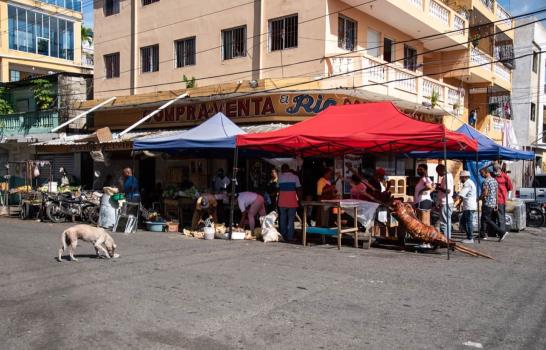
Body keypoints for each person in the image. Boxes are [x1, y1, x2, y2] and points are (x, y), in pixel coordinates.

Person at [278, 164, 302, 242]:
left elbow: (277, 189)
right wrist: (300, 199)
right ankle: (290, 236)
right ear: (288, 169)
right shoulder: (295, 177)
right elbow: (298, 189)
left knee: (282, 218)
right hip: (292, 201)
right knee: (291, 219)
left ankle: (282, 235)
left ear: (282, 170)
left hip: (282, 201)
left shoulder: (280, 177)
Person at [479, 167, 503, 240]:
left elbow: (485, 193)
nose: (481, 175)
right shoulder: (494, 180)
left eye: (482, 173)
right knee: (484, 219)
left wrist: (479, 198)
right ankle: (482, 234)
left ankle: (501, 232)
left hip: (487, 202)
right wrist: (496, 204)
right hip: (492, 203)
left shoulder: (486, 181)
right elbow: (496, 193)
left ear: (487, 172)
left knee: (487, 219)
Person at [455, 171, 477, 243]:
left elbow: (461, 195)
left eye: (461, 177)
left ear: (464, 177)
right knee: (463, 222)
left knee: (468, 222)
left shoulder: (468, 183)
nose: (460, 179)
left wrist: (454, 200)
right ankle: (468, 236)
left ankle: (470, 238)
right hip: (467, 206)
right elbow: (464, 196)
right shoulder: (468, 183)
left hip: (469, 206)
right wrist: (459, 203)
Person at [493, 163, 512, 242]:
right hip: (493, 199)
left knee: (501, 217)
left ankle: (502, 233)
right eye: (494, 169)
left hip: (501, 199)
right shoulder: (493, 176)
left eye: (496, 169)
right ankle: (496, 232)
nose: (495, 171)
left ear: (500, 169)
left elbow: (510, 187)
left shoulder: (505, 176)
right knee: (494, 217)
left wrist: (507, 197)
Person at [435, 164, 454, 239]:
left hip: (446, 202)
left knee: (444, 223)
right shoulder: (448, 176)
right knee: (447, 222)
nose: (438, 174)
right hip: (446, 202)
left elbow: (448, 191)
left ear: (441, 170)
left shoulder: (447, 177)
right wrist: (439, 185)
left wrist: (438, 188)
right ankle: (447, 238)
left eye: (438, 172)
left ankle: (446, 239)